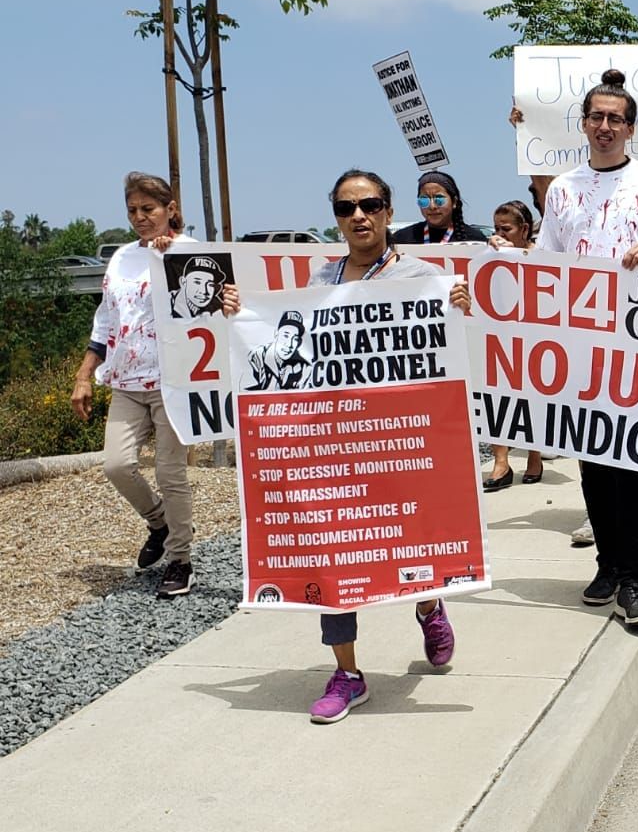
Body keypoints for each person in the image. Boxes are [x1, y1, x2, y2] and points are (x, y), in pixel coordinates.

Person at [219, 168, 474, 724]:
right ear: (336, 218)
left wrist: (458, 308)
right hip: (336, 445)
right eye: (345, 207)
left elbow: (450, 357)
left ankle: (428, 603)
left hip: (399, 444)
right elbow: (291, 341)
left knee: (408, 545)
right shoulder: (321, 278)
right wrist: (242, 315)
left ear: (387, 212)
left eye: (370, 204)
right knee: (334, 555)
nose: (358, 215)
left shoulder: (422, 274)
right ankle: (348, 674)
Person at [537, 68, 638, 626]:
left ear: (631, 128)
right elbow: (544, 268)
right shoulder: (562, 189)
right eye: (597, 117)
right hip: (580, 348)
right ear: (583, 124)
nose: (605, 127)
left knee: (631, 462)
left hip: (637, 348)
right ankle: (606, 566)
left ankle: (633, 579)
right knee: (593, 462)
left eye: (616, 119)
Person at [71, 172, 197, 599]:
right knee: (117, 465)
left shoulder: (188, 252)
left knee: (169, 471)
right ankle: (159, 522)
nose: (140, 218)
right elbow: (106, 321)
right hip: (126, 380)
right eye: (133, 211)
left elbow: (209, 306)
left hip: (173, 380)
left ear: (170, 210)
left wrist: (168, 262)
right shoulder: (121, 257)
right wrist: (84, 375)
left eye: (149, 209)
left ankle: (181, 560)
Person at [483, 200, 543, 489]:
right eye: (496, 228)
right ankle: (501, 461)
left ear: (524, 229)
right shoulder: (491, 255)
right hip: (500, 335)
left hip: (534, 336)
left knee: (532, 399)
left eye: (506, 228)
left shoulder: (542, 255)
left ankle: (534, 456)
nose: (499, 234)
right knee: (497, 397)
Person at [392, 169, 488, 245]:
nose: (432, 206)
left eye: (439, 199)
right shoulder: (401, 239)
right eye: (424, 200)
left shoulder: (476, 240)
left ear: (454, 202)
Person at [244, 311, 311, 390]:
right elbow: (241, 391)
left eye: (295, 339)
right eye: (286, 335)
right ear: (276, 334)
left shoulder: (304, 368)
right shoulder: (256, 358)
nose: (289, 345)